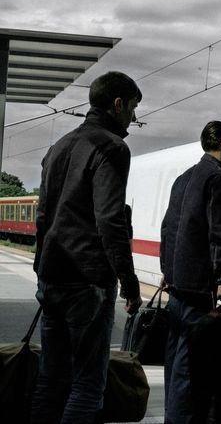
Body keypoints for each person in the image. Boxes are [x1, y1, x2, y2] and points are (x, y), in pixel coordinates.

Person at [30, 71, 143, 424]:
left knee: (51, 379)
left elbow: (43, 215)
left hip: (52, 276)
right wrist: (128, 280)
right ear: (118, 104)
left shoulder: (59, 146)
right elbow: (109, 220)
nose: (134, 118)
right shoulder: (112, 148)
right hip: (87, 281)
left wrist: (40, 266)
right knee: (88, 386)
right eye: (133, 108)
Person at [161, 120, 221, 423]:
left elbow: (168, 228)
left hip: (177, 285)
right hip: (198, 288)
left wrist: (167, 270)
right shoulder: (218, 179)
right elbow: (219, 233)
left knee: (174, 362)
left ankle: (173, 416)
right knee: (190, 367)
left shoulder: (184, 177)